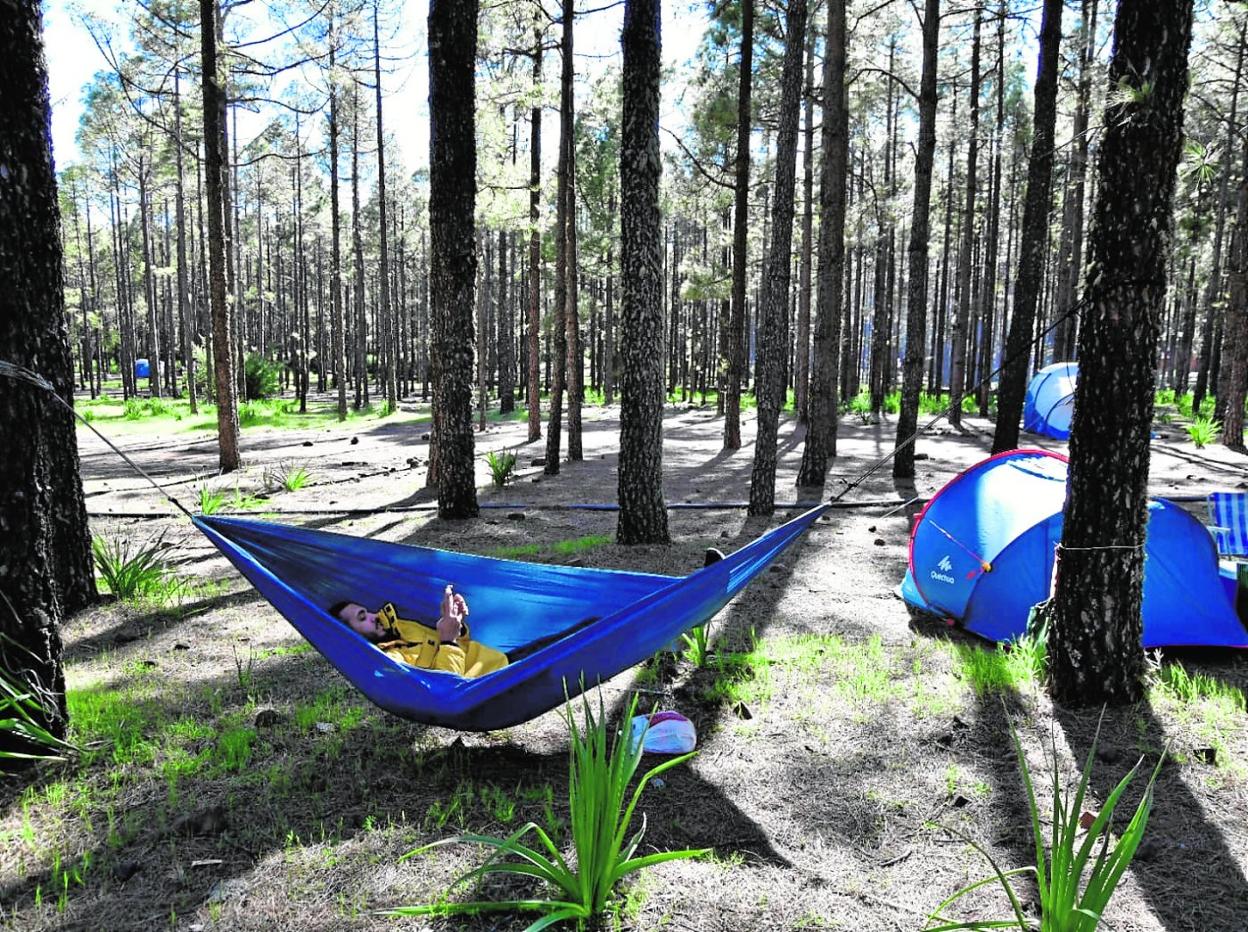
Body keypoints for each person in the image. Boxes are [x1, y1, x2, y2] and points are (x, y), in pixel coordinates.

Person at [330, 585, 508, 677]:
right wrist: (448, 640)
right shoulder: (391, 662)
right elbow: (448, 690)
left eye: (367, 611)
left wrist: (456, 626)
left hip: (504, 663)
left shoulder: (402, 627)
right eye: (362, 618)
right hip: (494, 685)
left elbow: (460, 647)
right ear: (351, 636)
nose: (374, 615)